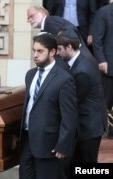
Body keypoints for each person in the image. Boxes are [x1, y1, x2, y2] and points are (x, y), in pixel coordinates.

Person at [19, 33, 77, 179]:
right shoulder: (30, 75)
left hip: (49, 145)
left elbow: (69, 117)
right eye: (34, 51)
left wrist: (63, 145)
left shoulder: (64, 79)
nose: (35, 55)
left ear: (52, 52)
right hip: (27, 141)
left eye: (40, 51)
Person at [56, 29, 107, 178]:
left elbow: (72, 101)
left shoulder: (82, 70)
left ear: (69, 47)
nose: (57, 53)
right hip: (85, 125)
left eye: (59, 49)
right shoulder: (79, 61)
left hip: (89, 127)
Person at [26, 5, 94, 60]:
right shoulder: (47, 25)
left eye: (31, 16)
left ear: (43, 13)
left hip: (80, 60)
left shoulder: (50, 21)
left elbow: (62, 44)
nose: (29, 20)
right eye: (28, 18)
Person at [92, 0, 113, 137]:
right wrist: (101, 60)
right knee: (106, 101)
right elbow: (97, 40)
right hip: (108, 66)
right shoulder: (103, 13)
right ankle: (105, 131)